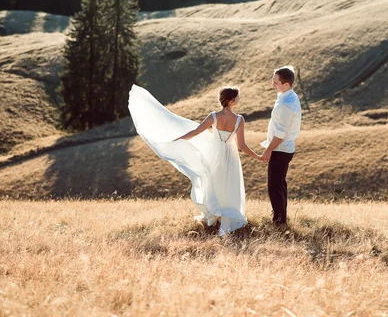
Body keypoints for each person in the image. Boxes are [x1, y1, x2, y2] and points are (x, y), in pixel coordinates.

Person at [128, 85, 262, 236]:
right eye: (237, 97)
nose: (239, 99)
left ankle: (215, 215)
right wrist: (258, 156)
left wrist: (178, 141)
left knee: (214, 183)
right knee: (229, 184)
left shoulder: (214, 116)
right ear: (231, 101)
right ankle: (227, 219)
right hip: (230, 156)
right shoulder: (239, 119)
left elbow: (196, 131)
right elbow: (242, 146)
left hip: (214, 153)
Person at [260, 66, 302, 227]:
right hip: (285, 148)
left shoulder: (286, 104)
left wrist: (268, 149)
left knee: (274, 187)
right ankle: (281, 218)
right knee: (280, 184)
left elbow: (281, 132)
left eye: (276, 82)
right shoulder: (288, 96)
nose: (273, 85)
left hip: (280, 149)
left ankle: (279, 222)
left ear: (286, 84)